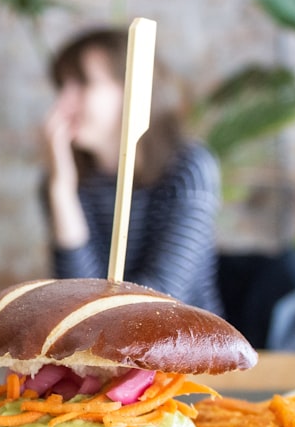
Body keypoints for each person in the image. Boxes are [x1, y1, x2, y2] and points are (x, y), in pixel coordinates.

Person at [41, 26, 224, 314]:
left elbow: (163, 296)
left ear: (132, 91)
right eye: (62, 86)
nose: (63, 103)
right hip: (100, 351)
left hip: (182, 349)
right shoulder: (66, 178)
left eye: (82, 83)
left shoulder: (188, 169)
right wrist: (61, 190)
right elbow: (75, 298)